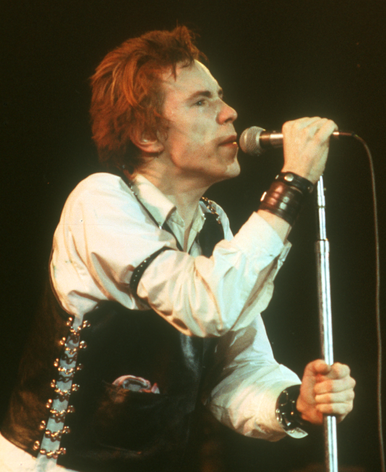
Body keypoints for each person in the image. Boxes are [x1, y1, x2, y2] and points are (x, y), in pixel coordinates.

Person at [0, 26, 355, 471]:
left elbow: (238, 367)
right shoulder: (99, 200)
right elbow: (203, 302)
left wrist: (294, 403)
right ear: (148, 135)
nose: (230, 113)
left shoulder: (215, 225)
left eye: (221, 96)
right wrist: (292, 183)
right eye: (202, 101)